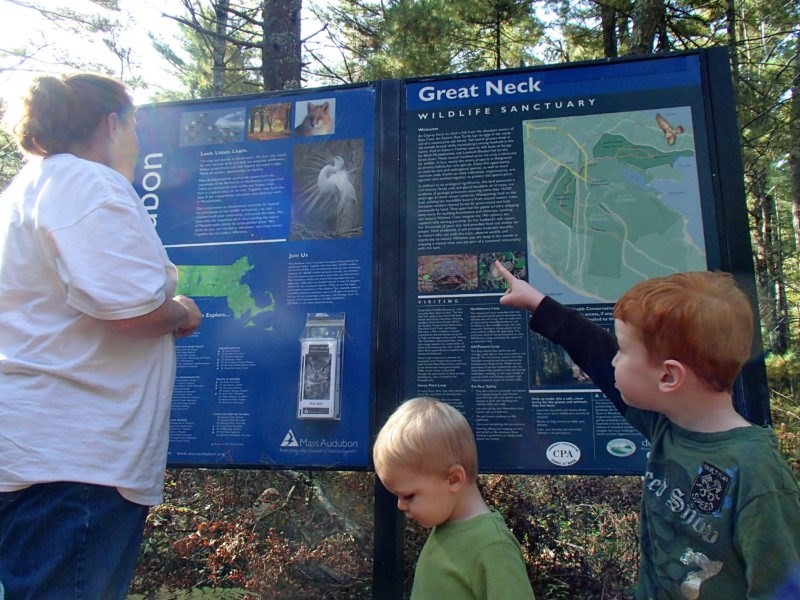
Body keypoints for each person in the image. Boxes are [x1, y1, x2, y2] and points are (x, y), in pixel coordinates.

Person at [0, 73, 202, 599]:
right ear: (113, 124)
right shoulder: (87, 182)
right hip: (76, 463)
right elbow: (130, 314)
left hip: (38, 456)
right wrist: (179, 311)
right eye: (134, 126)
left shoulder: (27, 189)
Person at [494, 261, 800, 599]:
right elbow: (597, 354)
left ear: (668, 376)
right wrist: (538, 304)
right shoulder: (668, 425)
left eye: (624, 352)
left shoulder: (758, 478)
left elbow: (783, 588)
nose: (614, 361)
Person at [373, 396, 535, 599]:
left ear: (453, 479)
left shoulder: (494, 547)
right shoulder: (447, 525)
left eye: (408, 495)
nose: (400, 505)